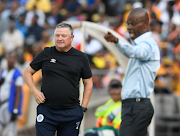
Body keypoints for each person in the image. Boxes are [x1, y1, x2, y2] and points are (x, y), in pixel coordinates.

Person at [23, 22, 93, 136]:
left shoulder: (81, 57)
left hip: (71, 112)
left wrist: (83, 108)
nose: (59, 38)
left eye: (63, 36)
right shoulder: (46, 53)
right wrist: (34, 91)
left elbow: (88, 83)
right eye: (57, 35)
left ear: (72, 38)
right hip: (47, 111)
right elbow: (27, 72)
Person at [104, 8, 160, 136]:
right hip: (135, 106)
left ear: (145, 24)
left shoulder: (147, 45)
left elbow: (134, 52)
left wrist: (117, 41)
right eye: (127, 24)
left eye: (133, 23)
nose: (129, 27)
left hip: (137, 106)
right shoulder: (141, 44)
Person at [0, 51, 24, 136]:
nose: (11, 60)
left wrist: (15, 110)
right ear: (7, 58)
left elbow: (18, 93)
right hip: (1, 104)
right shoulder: (3, 71)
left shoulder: (17, 74)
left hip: (9, 105)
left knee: (11, 131)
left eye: (13, 58)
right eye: (10, 57)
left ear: (15, 59)